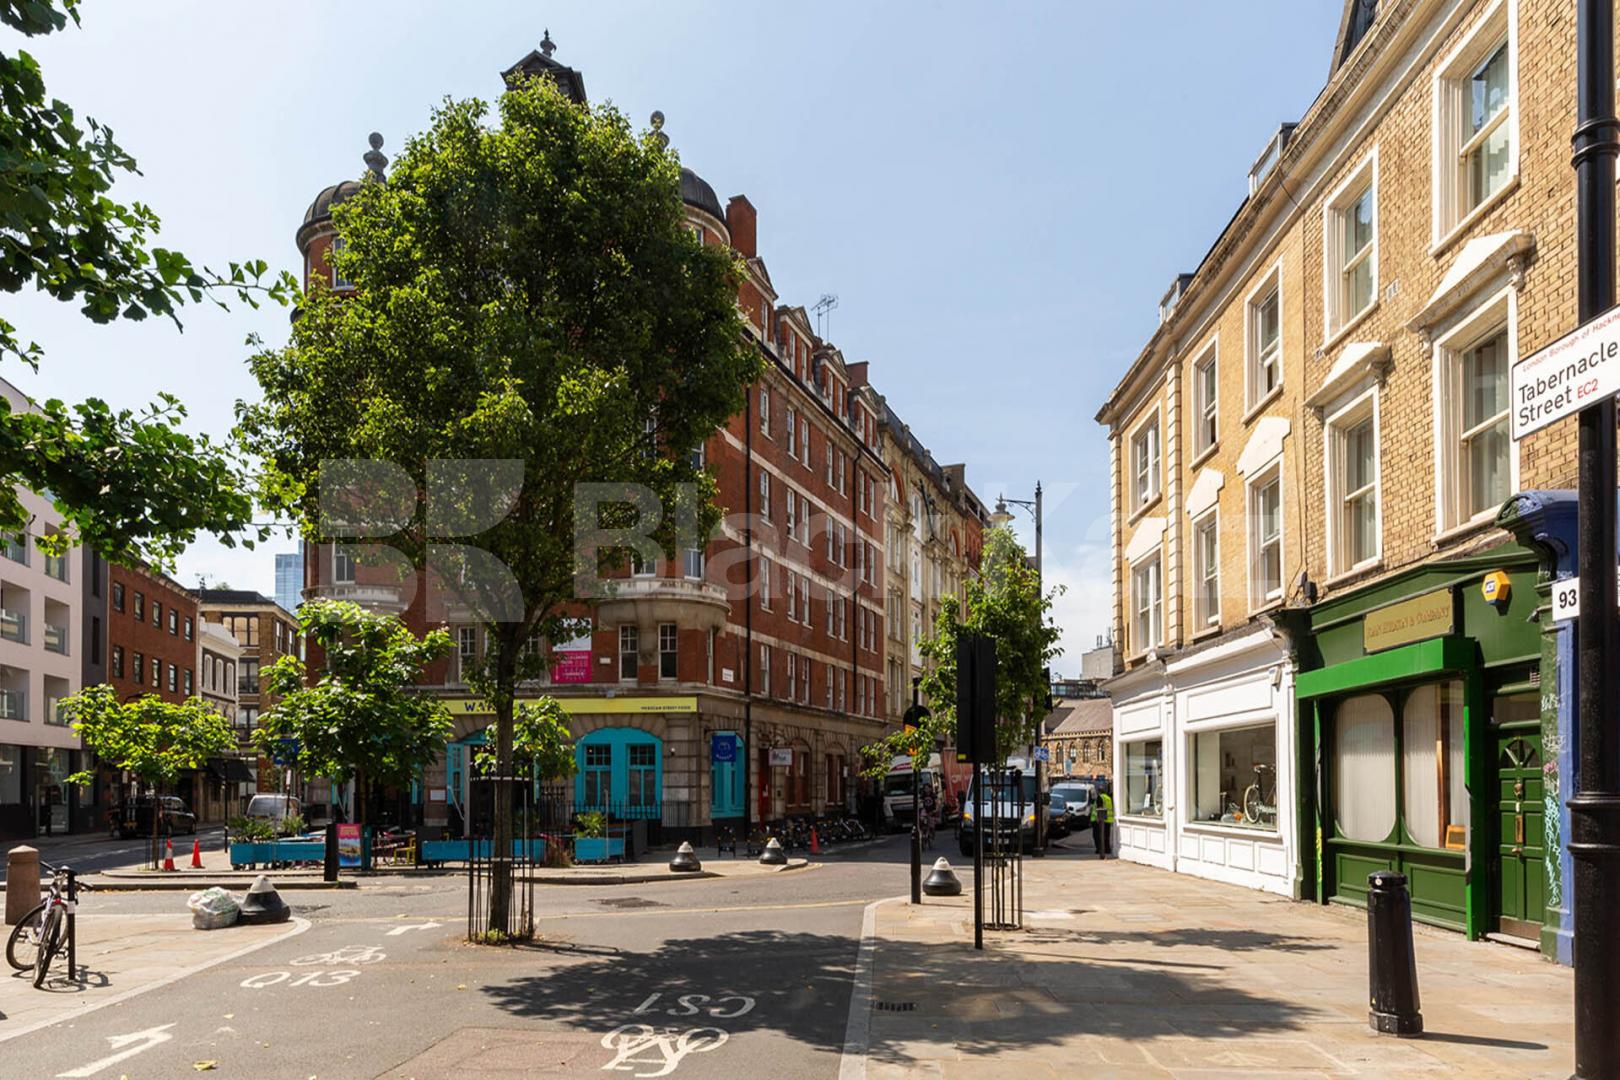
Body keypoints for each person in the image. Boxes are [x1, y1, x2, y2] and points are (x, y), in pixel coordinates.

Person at [1093, 789, 1114, 858]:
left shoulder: (1100, 797)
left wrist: (1097, 818)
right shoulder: (1108, 798)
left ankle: (1100, 850)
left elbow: (1099, 808)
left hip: (1100, 820)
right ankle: (1107, 849)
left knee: (1098, 835)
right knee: (1106, 835)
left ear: (1099, 792)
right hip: (1108, 819)